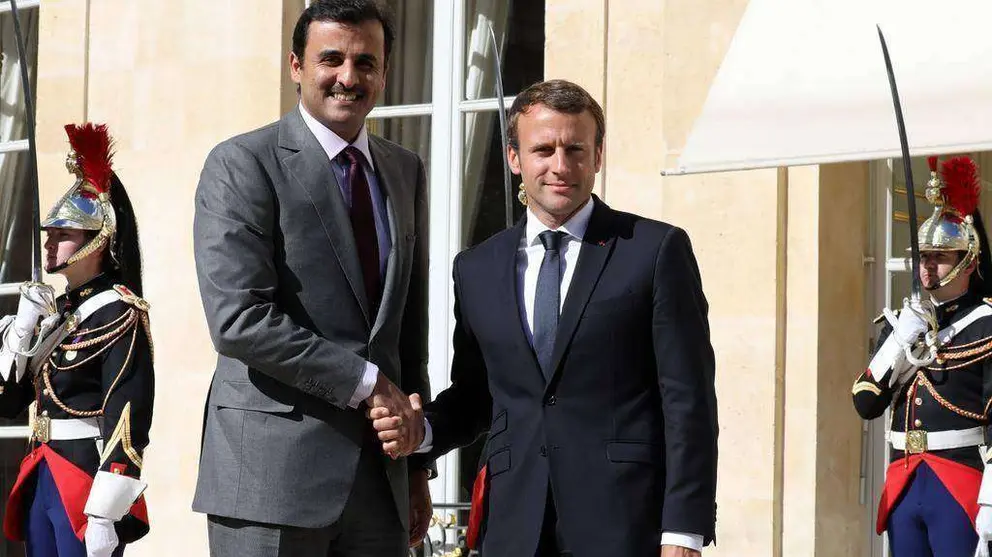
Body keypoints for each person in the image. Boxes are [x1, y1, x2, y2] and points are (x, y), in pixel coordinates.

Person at [373, 79, 719, 557]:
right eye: (544, 149)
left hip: (625, 524)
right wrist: (423, 433)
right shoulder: (476, 269)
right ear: (515, 158)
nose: (561, 166)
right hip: (514, 527)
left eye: (576, 149)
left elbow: (689, 404)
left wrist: (683, 531)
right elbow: (477, 398)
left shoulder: (654, 251)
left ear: (598, 156)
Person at [191, 1, 431, 555]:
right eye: (332, 59)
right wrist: (367, 385)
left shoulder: (404, 170)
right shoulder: (242, 163)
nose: (349, 77)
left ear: (385, 72)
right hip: (271, 482)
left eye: (366, 62)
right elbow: (239, 321)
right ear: (296, 66)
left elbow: (405, 329)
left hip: (381, 482)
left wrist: (417, 462)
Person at [0, 123, 154, 557]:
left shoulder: (119, 310)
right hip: (42, 470)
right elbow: (9, 401)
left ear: (97, 241)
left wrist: (105, 511)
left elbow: (128, 415)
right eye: (50, 234)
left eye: (63, 235)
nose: (50, 243)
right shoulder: (58, 314)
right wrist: (23, 326)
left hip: (84, 479)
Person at [852, 156, 992, 556]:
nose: (927, 266)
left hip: (959, 481)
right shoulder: (902, 323)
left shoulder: (986, 325)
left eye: (939, 256)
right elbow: (865, 402)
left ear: (968, 262)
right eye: (923, 256)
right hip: (904, 477)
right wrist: (899, 343)